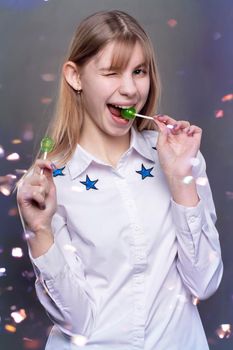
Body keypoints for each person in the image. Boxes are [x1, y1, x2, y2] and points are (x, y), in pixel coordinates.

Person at [17, 10, 223, 350]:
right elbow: (76, 322)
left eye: (139, 71)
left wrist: (180, 179)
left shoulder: (178, 157)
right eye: (112, 72)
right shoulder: (51, 184)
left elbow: (204, 284)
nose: (130, 90)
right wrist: (40, 232)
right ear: (75, 76)